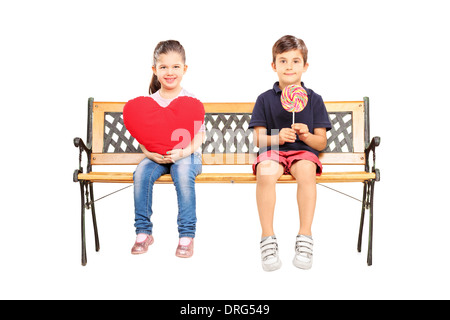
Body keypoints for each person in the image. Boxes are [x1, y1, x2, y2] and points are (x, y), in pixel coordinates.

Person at [249, 35, 331, 271]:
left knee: (306, 171)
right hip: (272, 153)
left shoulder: (314, 100)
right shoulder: (264, 99)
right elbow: (258, 139)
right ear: (274, 66)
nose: (289, 66)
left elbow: (321, 143)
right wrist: (277, 138)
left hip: (303, 154)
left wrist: (306, 136)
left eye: (295, 61)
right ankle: (268, 238)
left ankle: (305, 236)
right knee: (265, 172)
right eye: (283, 61)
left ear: (305, 66)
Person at [131, 40, 204, 258]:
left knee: (182, 171)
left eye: (175, 67)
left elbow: (200, 135)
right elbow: (142, 133)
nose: (169, 72)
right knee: (141, 172)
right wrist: (148, 153)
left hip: (186, 154)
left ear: (184, 69)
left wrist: (183, 152)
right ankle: (143, 232)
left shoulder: (190, 100)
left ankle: (186, 235)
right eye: (163, 67)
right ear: (155, 70)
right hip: (156, 156)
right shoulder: (148, 102)